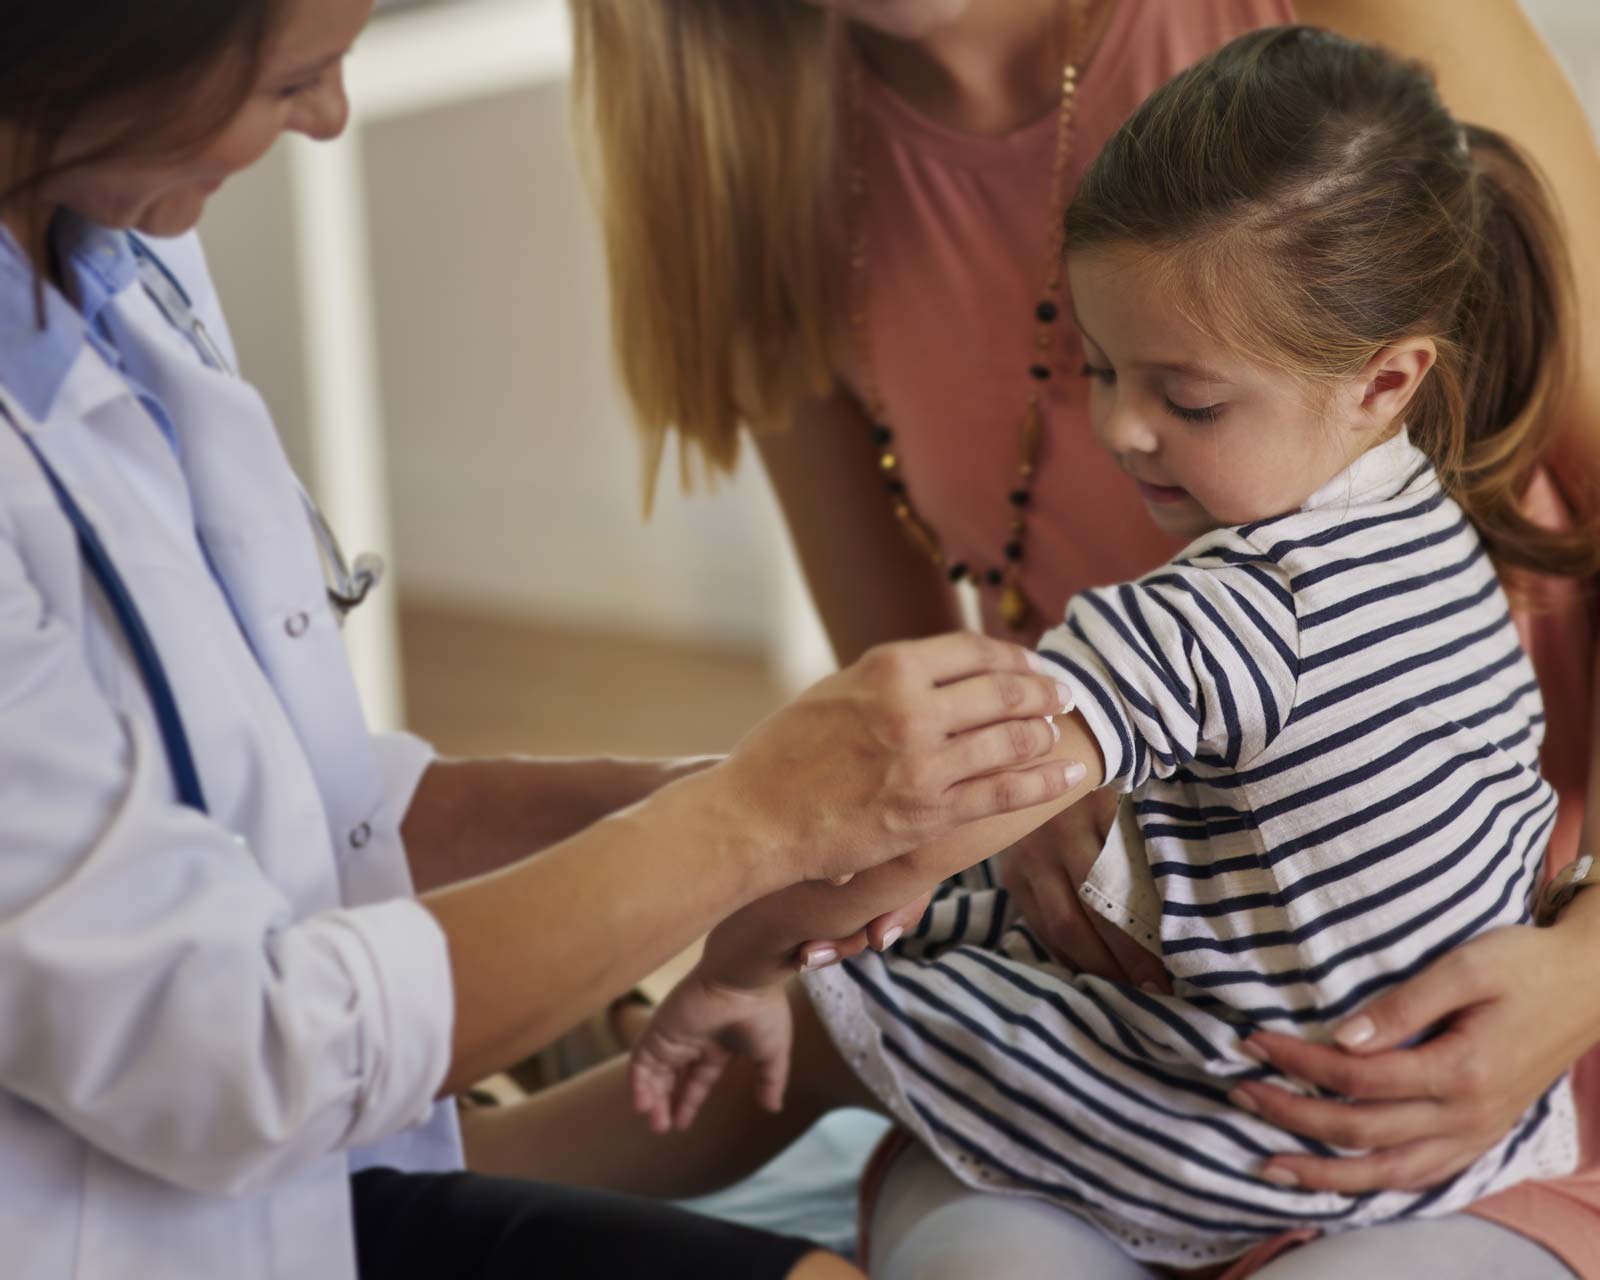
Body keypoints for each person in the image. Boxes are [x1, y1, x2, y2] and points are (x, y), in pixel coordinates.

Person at [0, 3, 1093, 1278]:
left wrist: (711, 810)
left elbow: (302, 811)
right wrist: (744, 825)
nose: (331, 115)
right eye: (294, 74)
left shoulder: (116, 252)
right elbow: (231, 1045)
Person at [492, 24, 1592, 1276]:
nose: (1122, 428)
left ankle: (421, 1178)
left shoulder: (1215, 613)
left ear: (1386, 379)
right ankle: (424, 1176)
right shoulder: (1423, 520)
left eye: (1185, 400)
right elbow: (904, 719)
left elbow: (908, 803)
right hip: (1413, 1105)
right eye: (1097, 367)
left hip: (1260, 1109)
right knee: (903, 1010)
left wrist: (737, 954)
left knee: (847, 1008)